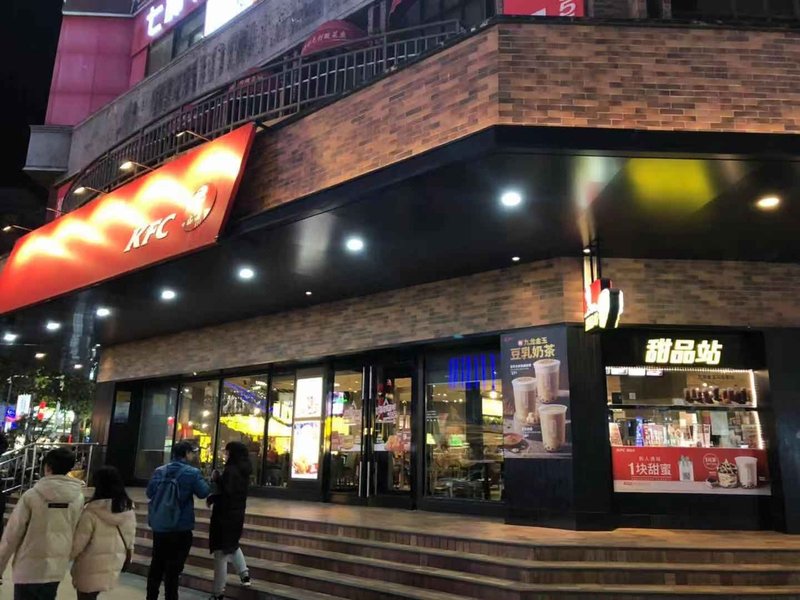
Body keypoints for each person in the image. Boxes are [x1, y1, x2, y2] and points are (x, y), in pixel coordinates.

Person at [0, 447, 84, 600]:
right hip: (55, 568)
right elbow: (76, 531)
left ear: (47, 467)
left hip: (28, 568)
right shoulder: (78, 497)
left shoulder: (31, 496)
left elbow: (12, 535)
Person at [146, 441, 210, 600]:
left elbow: (149, 492)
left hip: (160, 526)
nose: (194, 455)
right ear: (186, 453)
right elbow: (203, 492)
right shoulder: (192, 472)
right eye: (193, 452)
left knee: (157, 564)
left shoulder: (159, 471)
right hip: (181, 526)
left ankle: (151, 597)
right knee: (173, 569)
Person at [71, 466, 137, 600]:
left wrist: (64, 557)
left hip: (89, 566)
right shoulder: (128, 511)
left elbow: (78, 543)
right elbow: (130, 538)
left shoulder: (91, 512)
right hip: (113, 563)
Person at [207, 442, 252, 600]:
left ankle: (218, 592)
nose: (225, 455)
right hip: (237, 514)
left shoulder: (231, 470)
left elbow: (227, 493)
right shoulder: (243, 469)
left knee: (220, 552)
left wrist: (216, 481)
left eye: (227, 452)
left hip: (224, 516)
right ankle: (244, 575)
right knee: (232, 544)